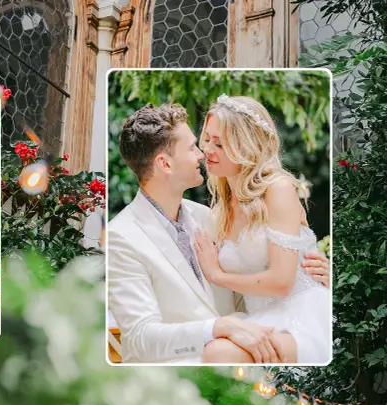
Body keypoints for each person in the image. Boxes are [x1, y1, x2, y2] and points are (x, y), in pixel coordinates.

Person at [107, 102, 330, 364]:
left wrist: (314, 276)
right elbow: (139, 338)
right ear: (165, 163)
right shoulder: (121, 236)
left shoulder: (207, 217)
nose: (203, 152)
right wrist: (217, 328)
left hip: (274, 332)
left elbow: (258, 285)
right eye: (195, 146)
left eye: (217, 143)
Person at [192, 95, 332, 364]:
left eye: (220, 144)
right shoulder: (220, 208)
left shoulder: (277, 189)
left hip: (300, 316)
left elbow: (281, 282)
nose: (208, 149)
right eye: (207, 138)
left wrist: (217, 274)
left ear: (246, 148)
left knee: (216, 353)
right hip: (258, 318)